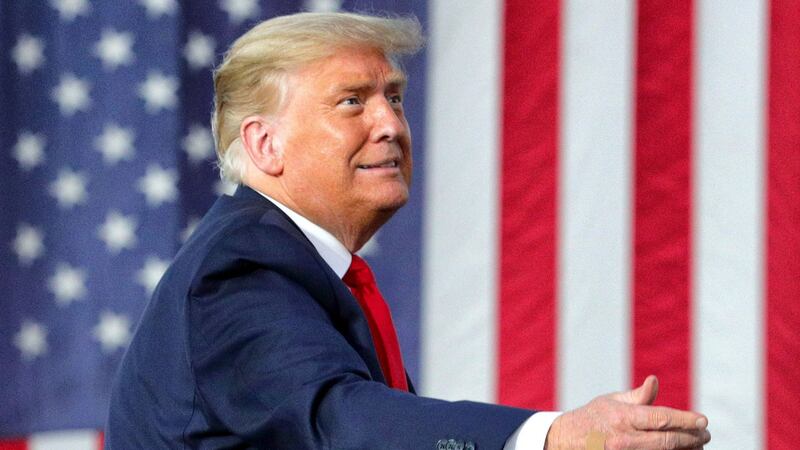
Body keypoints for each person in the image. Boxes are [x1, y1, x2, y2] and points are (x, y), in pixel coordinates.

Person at [106, 12, 711, 449]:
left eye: (393, 98)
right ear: (266, 144)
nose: (391, 125)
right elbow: (339, 420)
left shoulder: (305, 270)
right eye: (352, 102)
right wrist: (548, 436)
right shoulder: (239, 267)